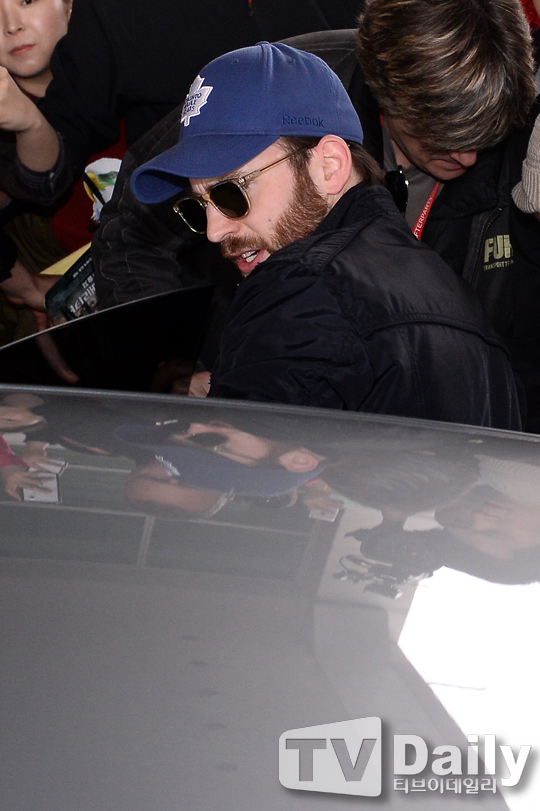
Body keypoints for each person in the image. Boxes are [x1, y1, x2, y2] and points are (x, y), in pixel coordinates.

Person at [130, 42, 521, 429]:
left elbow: (238, 468)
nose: (215, 232)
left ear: (330, 166)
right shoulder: (454, 296)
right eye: (197, 207)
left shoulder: (298, 288)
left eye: (232, 193)